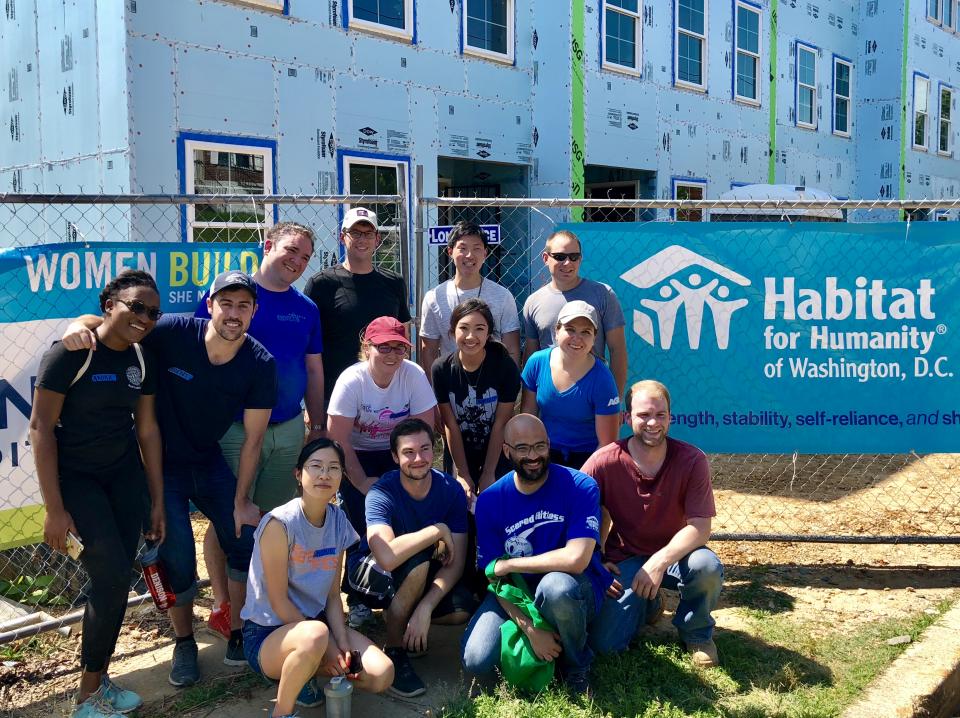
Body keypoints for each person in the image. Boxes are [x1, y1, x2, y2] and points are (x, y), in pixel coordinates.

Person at [62, 271, 277, 686]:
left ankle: (238, 632)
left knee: (244, 539)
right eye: (226, 304)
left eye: (243, 306)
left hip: (210, 462)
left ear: (254, 312)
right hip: (160, 469)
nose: (234, 314)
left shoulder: (260, 363)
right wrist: (79, 326)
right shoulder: (175, 332)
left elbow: (253, 440)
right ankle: (183, 643)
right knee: (176, 556)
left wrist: (241, 500)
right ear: (210, 305)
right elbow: (118, 326)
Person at [32, 270, 165, 718]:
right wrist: (54, 509)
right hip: (77, 482)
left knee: (117, 577)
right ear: (110, 304)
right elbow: (40, 429)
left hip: (124, 477)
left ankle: (98, 678)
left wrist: (157, 500)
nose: (144, 317)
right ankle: (88, 697)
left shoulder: (141, 359)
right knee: (108, 576)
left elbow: (146, 430)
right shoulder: (71, 354)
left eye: (153, 311)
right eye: (136, 306)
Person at [195, 222, 324, 641]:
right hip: (233, 429)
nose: (297, 261)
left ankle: (263, 602)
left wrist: (317, 425)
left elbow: (313, 367)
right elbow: (196, 349)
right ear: (268, 245)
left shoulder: (306, 307)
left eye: (305, 257)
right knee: (228, 515)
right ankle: (223, 606)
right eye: (291, 250)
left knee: (269, 521)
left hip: (287, 427)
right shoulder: (232, 295)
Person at [240, 438, 393, 718]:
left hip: (316, 626)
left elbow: (333, 596)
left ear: (342, 477)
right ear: (298, 474)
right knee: (316, 637)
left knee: (380, 674)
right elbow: (277, 601)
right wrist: (328, 646)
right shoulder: (279, 524)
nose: (325, 475)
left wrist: (343, 644)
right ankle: (282, 712)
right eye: (316, 466)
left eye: (334, 468)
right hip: (267, 633)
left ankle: (305, 672)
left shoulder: (338, 521)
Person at [461, 414, 613, 695]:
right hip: (517, 592)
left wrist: (510, 564)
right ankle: (545, 646)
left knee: (555, 587)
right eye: (522, 448)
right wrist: (529, 628)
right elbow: (494, 578)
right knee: (476, 661)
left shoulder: (580, 486)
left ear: (549, 444)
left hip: (573, 588)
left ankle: (576, 668)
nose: (533, 456)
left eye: (540, 446)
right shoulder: (491, 500)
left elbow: (576, 560)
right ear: (506, 451)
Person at [584, 380, 724, 667]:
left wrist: (659, 561)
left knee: (707, 567)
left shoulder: (691, 459)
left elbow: (700, 527)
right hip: (626, 556)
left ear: (670, 417)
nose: (653, 423)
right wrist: (594, 558)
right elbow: (579, 512)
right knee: (605, 645)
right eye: (643, 415)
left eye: (660, 415)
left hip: (677, 555)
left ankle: (697, 633)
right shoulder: (604, 461)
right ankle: (648, 603)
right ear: (627, 418)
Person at [347, 419, 473, 698]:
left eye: (425, 449)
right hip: (370, 571)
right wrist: (436, 530)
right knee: (419, 562)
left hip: (418, 571)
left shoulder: (450, 489)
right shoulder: (381, 492)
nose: (418, 458)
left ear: (435, 449)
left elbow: (457, 562)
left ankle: (406, 616)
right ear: (395, 457)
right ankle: (394, 649)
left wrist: (425, 608)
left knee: (462, 608)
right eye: (408, 452)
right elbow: (387, 556)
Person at [326, 316, 437, 628]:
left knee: (404, 518)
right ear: (367, 347)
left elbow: (422, 431)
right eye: (383, 347)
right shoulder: (352, 380)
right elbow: (339, 440)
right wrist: (361, 482)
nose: (392, 355)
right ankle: (358, 597)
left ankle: (400, 592)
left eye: (399, 348)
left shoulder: (412, 375)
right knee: (358, 521)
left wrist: (406, 472)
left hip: (398, 454)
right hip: (356, 455)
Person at [304, 207, 411, 405]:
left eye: (368, 233)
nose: (362, 239)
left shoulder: (394, 282)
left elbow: (403, 336)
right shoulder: (322, 283)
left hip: (385, 392)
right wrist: (314, 408)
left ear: (377, 239)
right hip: (336, 392)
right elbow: (309, 349)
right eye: (355, 233)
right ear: (342, 237)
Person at [521, 229, 628, 397]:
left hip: (593, 396)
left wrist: (615, 401)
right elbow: (531, 358)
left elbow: (618, 350)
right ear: (545, 258)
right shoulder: (533, 302)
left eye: (574, 257)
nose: (567, 263)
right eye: (560, 257)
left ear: (580, 259)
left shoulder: (603, 294)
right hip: (549, 399)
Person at [432, 298, 519, 501]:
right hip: (460, 452)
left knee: (496, 506)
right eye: (464, 328)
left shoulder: (505, 367)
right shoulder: (441, 369)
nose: (471, 336)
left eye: (479, 329)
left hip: (497, 451)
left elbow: (500, 423)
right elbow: (450, 425)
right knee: (462, 506)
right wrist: (462, 473)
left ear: (488, 333)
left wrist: (489, 473)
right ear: (453, 332)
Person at [520, 301, 620, 470]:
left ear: (594, 337)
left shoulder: (603, 378)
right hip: (544, 454)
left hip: (589, 458)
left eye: (585, 332)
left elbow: (606, 444)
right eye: (570, 329)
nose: (577, 338)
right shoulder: (536, 363)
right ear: (556, 331)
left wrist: (580, 479)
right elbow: (528, 420)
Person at [418, 221, 520, 376]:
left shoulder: (503, 296)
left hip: (493, 382)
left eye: (477, 248)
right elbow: (429, 351)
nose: (469, 255)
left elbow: (512, 349)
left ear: (485, 253)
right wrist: (436, 393)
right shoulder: (434, 298)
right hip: (450, 384)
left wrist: (508, 387)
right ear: (450, 251)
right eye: (462, 248)